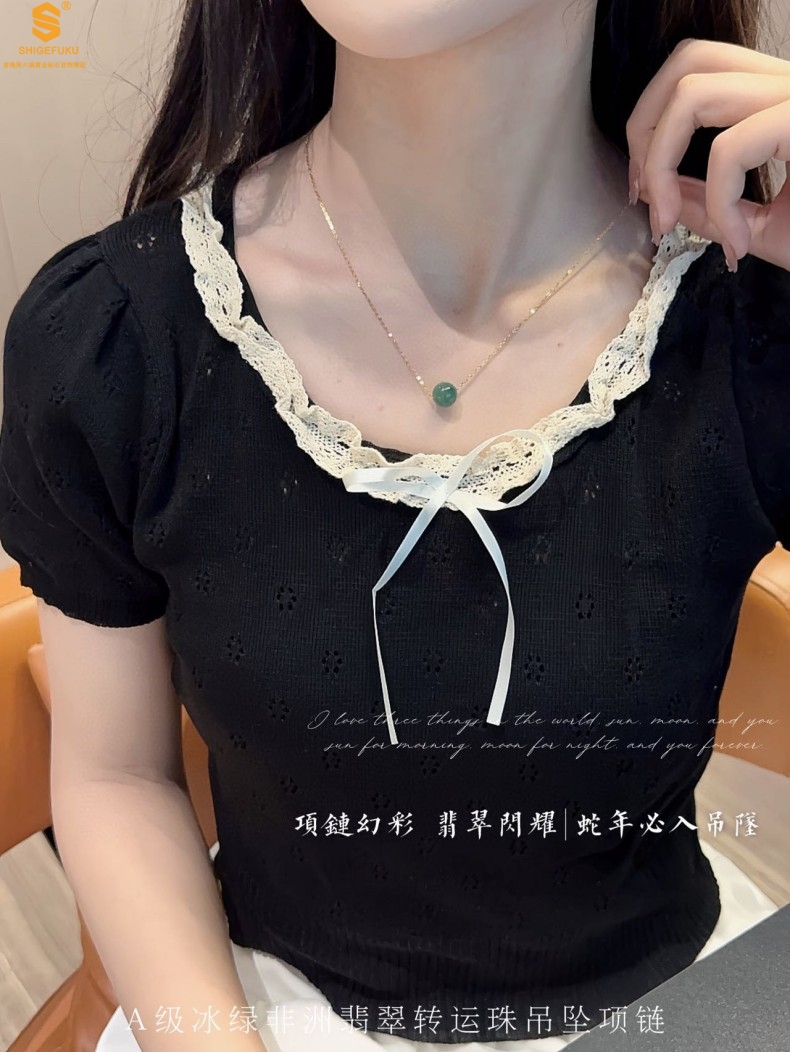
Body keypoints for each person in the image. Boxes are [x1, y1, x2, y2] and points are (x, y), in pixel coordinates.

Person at [1, 1, 789, 1050]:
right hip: (262, 1014)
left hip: (683, 1009)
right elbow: (117, 772)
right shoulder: (116, 342)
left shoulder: (753, 316)